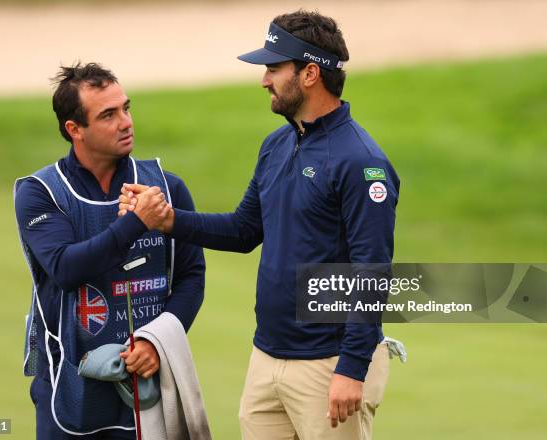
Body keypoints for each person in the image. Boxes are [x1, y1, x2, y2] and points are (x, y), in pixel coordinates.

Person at [120, 10, 400, 440]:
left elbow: (372, 271)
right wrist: (168, 220)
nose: (263, 79)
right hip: (267, 357)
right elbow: (243, 230)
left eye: (273, 68)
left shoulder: (361, 163)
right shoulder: (276, 145)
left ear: (309, 74)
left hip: (328, 366)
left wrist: (351, 368)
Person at [14, 62, 206, 439]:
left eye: (126, 108)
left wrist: (157, 342)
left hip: (149, 384)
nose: (125, 122)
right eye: (108, 115)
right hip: (68, 392)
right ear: (75, 130)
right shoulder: (40, 192)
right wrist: (137, 222)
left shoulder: (167, 187)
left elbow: (190, 278)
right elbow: (67, 268)